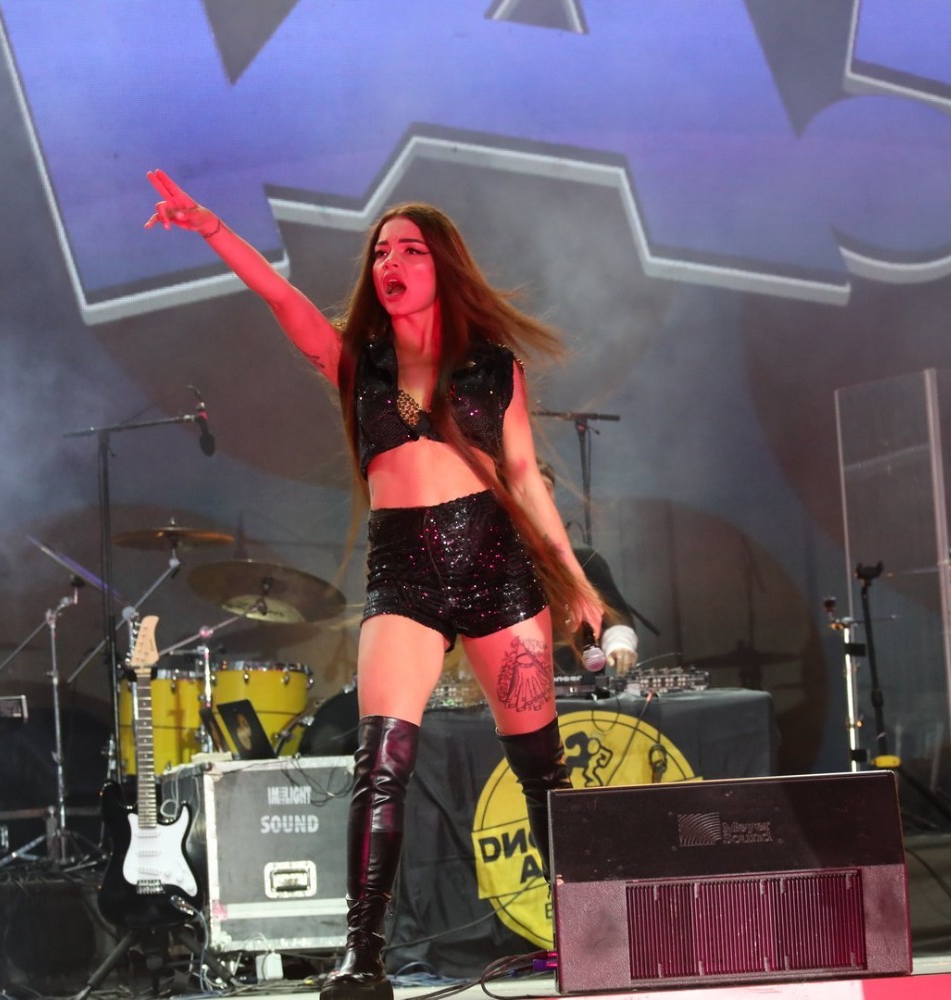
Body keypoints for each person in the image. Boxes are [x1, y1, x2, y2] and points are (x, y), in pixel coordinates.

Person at [144, 171, 604, 1000]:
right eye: (381, 252)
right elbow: (283, 300)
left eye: (410, 250)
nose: (390, 263)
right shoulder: (357, 363)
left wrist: (575, 583)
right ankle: (363, 955)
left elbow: (527, 479)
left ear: (443, 266)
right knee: (380, 760)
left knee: (542, 769)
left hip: (494, 565)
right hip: (403, 573)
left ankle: (591, 936)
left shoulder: (493, 368)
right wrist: (212, 228)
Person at [537, 459, 638, 678]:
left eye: (546, 488)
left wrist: (619, 643)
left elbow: (614, 614)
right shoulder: (496, 559)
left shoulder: (582, 557)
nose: (538, 497)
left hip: (573, 677)